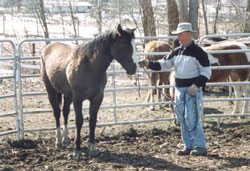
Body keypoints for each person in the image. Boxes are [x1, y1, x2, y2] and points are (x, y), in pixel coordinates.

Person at [139, 22, 211, 156]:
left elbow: (206, 71)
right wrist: (149, 64)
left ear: (188, 35)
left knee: (192, 117)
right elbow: (164, 64)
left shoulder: (199, 52)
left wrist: (196, 85)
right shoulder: (177, 51)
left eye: (180, 34)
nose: (178, 37)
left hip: (191, 90)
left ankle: (201, 145)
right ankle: (188, 145)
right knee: (182, 117)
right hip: (180, 90)